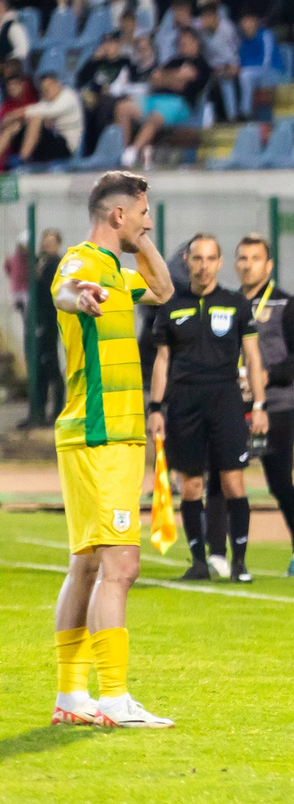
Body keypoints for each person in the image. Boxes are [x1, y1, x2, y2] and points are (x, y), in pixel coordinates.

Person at [50, 169, 176, 728]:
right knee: (121, 566)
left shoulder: (118, 271)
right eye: (144, 212)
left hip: (101, 436)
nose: (151, 221)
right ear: (117, 215)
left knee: (84, 565)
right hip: (104, 435)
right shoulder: (82, 263)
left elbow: (166, 289)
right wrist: (80, 296)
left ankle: (72, 696)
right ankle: (115, 699)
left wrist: (140, 236)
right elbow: (63, 289)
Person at [146, 234, 267, 583]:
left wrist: (259, 404)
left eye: (210, 258)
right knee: (191, 487)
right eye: (197, 258)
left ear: (219, 262)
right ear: (187, 261)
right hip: (184, 403)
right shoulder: (171, 306)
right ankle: (199, 562)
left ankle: (239, 561)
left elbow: (253, 356)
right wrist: (156, 407)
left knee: (233, 482)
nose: (203, 265)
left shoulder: (235, 304)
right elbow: (162, 360)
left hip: (226, 399)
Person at [234, 233, 294, 576]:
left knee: (279, 481)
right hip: (231, 407)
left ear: (268, 265)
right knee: (224, 480)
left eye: (255, 258)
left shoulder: (287, 305)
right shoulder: (227, 302)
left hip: (276, 407)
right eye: (242, 258)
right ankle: (223, 557)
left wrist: (268, 377)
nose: (248, 264)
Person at [19, 227, 62, 429]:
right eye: (44, 240)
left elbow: (49, 291)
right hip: (35, 321)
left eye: (50, 241)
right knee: (39, 368)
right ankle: (38, 411)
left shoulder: (56, 264)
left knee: (51, 365)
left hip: (49, 321)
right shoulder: (38, 262)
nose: (46, 245)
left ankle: (57, 411)